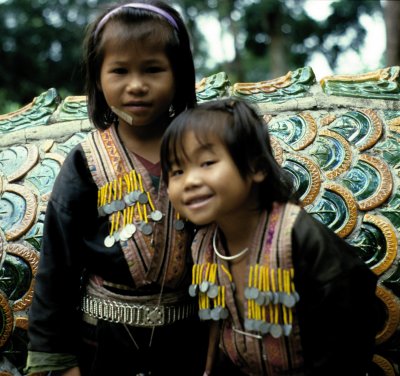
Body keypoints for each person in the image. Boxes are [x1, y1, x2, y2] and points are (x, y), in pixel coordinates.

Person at [25, 1, 207, 375]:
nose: (136, 85)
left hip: (189, 340)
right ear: (98, 78)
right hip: (102, 343)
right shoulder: (84, 161)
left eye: (153, 69)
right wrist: (55, 361)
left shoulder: (203, 152)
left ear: (180, 74)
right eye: (120, 71)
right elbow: (56, 265)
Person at [160, 98, 380, 375]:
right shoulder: (203, 246)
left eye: (206, 162)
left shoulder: (299, 236)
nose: (189, 181)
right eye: (177, 171)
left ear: (256, 167)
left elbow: (352, 313)